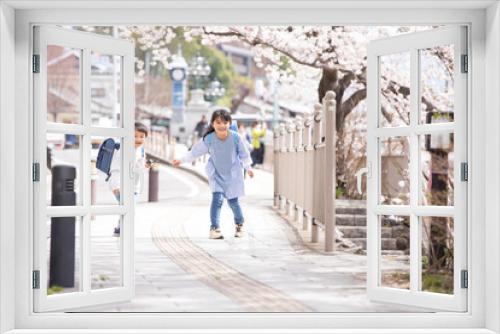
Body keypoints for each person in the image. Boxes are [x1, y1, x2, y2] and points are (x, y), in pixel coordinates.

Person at [172, 108, 254, 240]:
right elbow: (195, 152)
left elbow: (244, 154)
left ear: (230, 123)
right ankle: (214, 228)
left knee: (233, 202)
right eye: (218, 122)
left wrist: (248, 168)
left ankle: (240, 224)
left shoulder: (235, 137)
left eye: (225, 122)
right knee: (217, 199)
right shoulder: (209, 139)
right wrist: (181, 160)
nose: (222, 125)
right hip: (216, 173)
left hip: (233, 175)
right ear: (212, 124)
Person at [108, 122, 151, 236]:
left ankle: (119, 228)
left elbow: (139, 169)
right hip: (120, 185)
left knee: (128, 208)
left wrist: (145, 166)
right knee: (129, 208)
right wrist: (116, 186)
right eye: (135, 136)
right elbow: (116, 168)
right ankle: (122, 229)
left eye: (142, 136)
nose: (138, 139)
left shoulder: (141, 150)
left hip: (134, 186)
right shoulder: (123, 149)